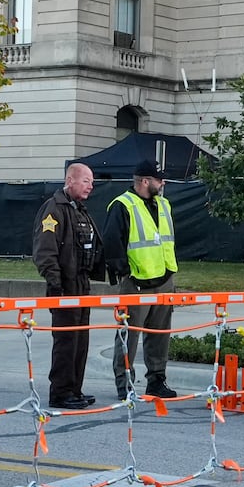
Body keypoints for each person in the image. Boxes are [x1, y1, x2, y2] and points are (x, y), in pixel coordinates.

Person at [102, 159, 178, 400]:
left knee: (160, 334)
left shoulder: (163, 204)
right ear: (145, 181)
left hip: (163, 279)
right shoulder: (122, 205)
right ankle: (125, 384)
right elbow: (113, 244)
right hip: (136, 282)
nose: (163, 182)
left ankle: (156, 380)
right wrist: (126, 274)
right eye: (159, 179)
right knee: (129, 334)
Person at [33, 163, 104, 410]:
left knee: (80, 339)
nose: (90, 186)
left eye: (91, 182)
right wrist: (55, 284)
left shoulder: (79, 210)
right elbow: (45, 251)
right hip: (65, 286)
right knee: (66, 340)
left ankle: (75, 389)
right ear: (70, 180)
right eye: (86, 181)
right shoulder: (54, 210)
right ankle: (61, 392)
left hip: (82, 284)